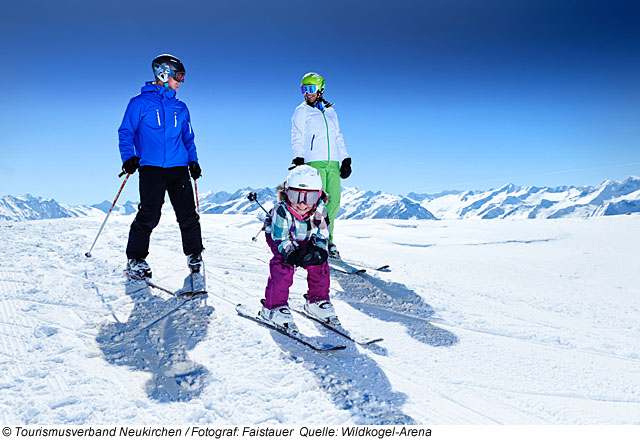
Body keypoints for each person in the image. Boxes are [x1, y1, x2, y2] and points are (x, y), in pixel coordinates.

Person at [118, 54, 204, 280]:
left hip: (178, 168)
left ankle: (195, 254)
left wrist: (193, 161)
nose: (181, 82)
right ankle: (136, 258)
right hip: (151, 168)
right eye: (179, 76)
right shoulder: (139, 103)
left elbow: (188, 138)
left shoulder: (181, 107)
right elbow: (126, 132)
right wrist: (129, 157)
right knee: (149, 214)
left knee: (187, 215)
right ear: (163, 75)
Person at [260, 165, 338, 332]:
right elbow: (280, 237)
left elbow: (323, 234)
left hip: (307, 238)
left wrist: (318, 250)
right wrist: (292, 253)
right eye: (296, 196)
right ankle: (272, 307)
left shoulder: (319, 210)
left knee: (320, 264)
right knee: (283, 266)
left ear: (318, 197)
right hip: (280, 239)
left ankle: (316, 301)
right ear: (287, 193)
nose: (302, 204)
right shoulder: (282, 210)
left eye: (309, 198)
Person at [290, 72, 351, 259]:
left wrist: (345, 159)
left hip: (332, 163)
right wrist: (299, 158)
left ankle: (328, 241)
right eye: (304, 89)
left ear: (320, 89)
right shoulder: (301, 111)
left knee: (333, 204)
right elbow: (297, 134)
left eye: (310, 89)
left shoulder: (331, 111)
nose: (307, 93)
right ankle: (314, 241)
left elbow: (338, 136)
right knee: (316, 205)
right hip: (313, 162)